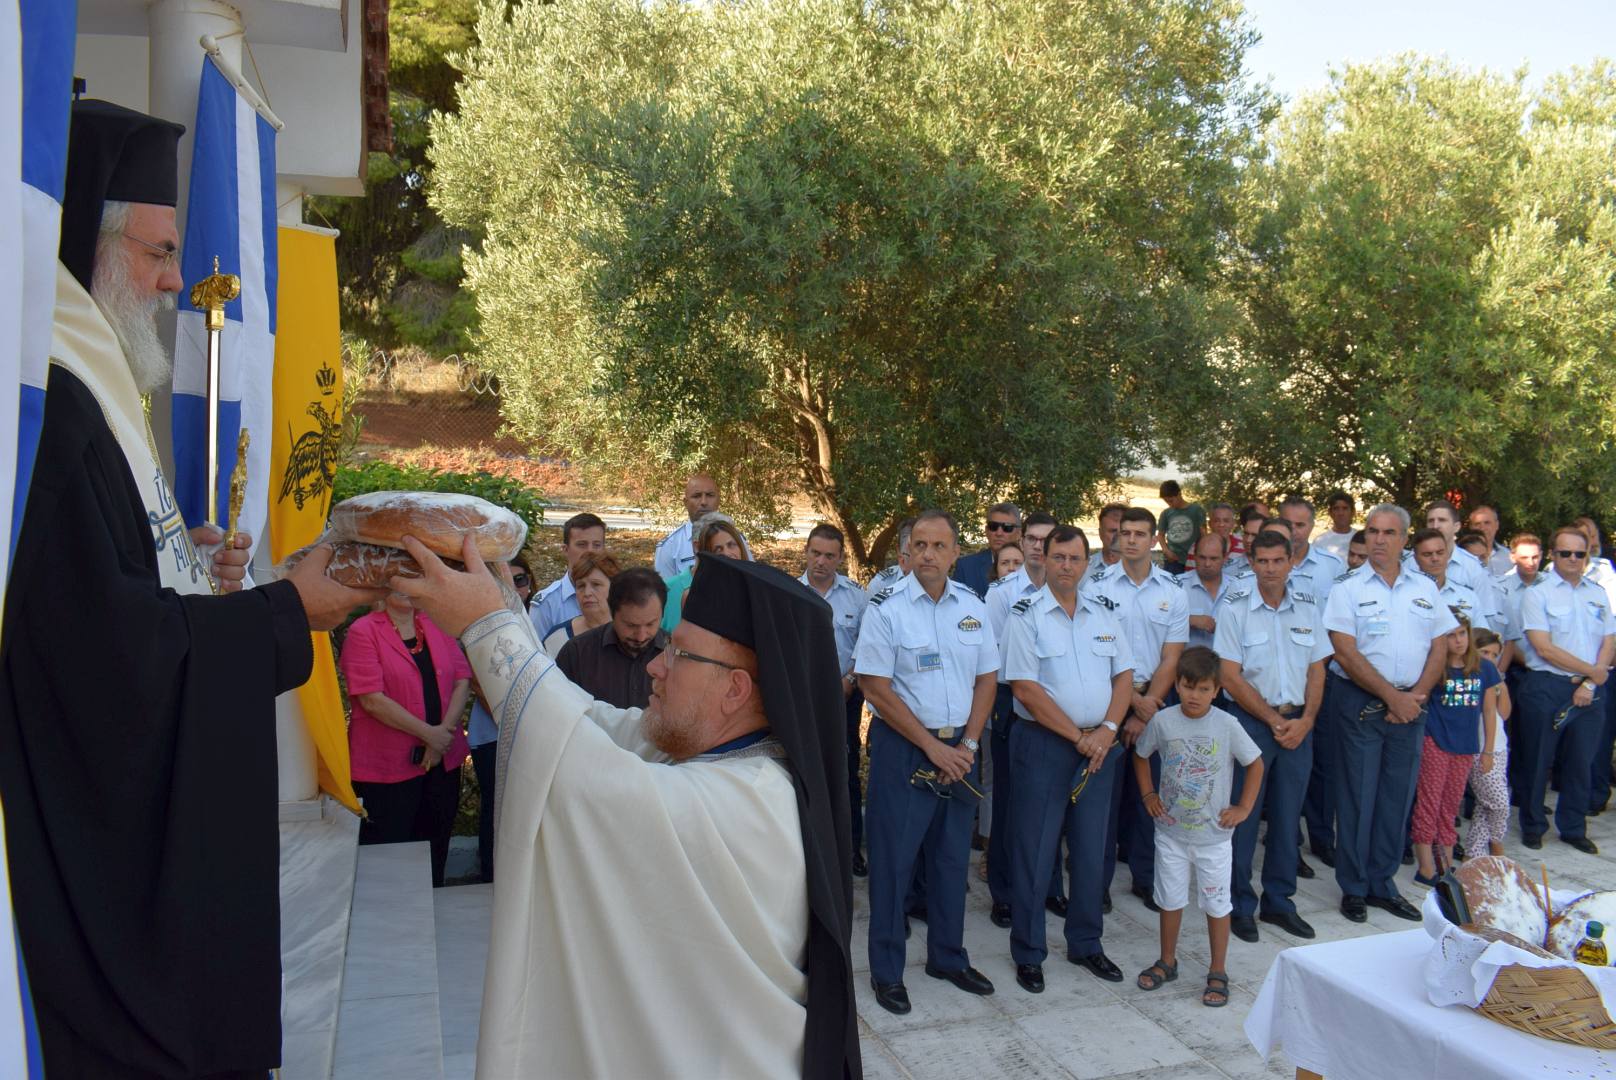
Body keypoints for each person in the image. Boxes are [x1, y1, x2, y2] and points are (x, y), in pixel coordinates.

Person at [0, 99, 385, 1076]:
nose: (178, 281)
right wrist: (285, 612)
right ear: (85, 250)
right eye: (159, 253)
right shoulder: (58, 409)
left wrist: (183, 564)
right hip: (95, 875)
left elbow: (114, 589)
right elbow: (109, 658)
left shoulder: (91, 385)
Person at [393, 539, 859, 1077]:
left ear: (734, 690)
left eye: (678, 652)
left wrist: (485, 626)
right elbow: (588, 720)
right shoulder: (720, 748)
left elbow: (583, 777)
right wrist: (503, 606)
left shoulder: (752, 800)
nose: (656, 665)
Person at [856, 509, 998, 1014]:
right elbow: (875, 686)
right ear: (907, 552)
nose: (929, 554)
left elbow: (987, 678)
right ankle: (887, 971)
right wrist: (931, 747)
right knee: (893, 863)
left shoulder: (973, 607)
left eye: (939, 546)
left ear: (956, 553)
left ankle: (947, 957)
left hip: (960, 750)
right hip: (904, 750)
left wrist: (969, 745)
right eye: (920, 545)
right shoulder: (887, 609)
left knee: (951, 861)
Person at [1002, 525, 1132, 991]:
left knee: (1092, 851)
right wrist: (1079, 737)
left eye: (1075, 558)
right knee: (1035, 854)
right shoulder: (1026, 615)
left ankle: (1086, 943)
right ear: (1045, 557)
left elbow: (1124, 676)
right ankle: (1029, 951)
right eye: (1058, 557)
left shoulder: (1104, 612)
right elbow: (1025, 689)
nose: (1066, 566)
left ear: (1086, 564)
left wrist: (1108, 730)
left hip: (1099, 748)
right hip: (1045, 746)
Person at [1322, 504, 1458, 923]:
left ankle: (1382, 884)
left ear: (1404, 539)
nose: (1379, 539)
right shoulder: (1347, 588)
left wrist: (1415, 695)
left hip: (1412, 705)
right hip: (1361, 703)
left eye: (1388, 532)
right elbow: (1344, 651)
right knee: (1358, 798)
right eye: (1372, 531)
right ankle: (1354, 887)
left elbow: (1439, 644)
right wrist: (1391, 697)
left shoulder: (1424, 588)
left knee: (1396, 799)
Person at [1215, 529, 1331, 943]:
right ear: (1251, 563)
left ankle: (1280, 902)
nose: (1269, 569)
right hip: (1251, 724)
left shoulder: (1307, 607)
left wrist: (1307, 720)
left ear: (1290, 562)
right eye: (1261, 561)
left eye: (1277, 561)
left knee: (1287, 816)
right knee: (1244, 817)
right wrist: (1271, 719)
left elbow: (1317, 669)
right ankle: (1238, 905)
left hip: (1298, 725)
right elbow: (1229, 676)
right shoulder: (1235, 609)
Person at [1132, 647, 1263, 1009]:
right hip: (1170, 833)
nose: (1195, 695)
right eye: (1188, 687)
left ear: (1217, 690)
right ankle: (1167, 960)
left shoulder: (1227, 725)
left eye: (1204, 689)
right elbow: (1141, 755)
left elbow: (1255, 763)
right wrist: (1148, 794)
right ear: (1177, 685)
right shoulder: (1163, 721)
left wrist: (1244, 807)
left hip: (1213, 838)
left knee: (1217, 903)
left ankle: (1218, 969)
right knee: (1169, 898)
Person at [1085, 507, 1189, 913]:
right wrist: (1130, 705)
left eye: (1139, 533)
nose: (1130, 540)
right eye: (1125, 533)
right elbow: (1098, 653)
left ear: (1155, 540)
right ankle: (1097, 884)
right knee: (1104, 803)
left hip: (1156, 704)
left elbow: (1172, 657)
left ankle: (1146, 878)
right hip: (1109, 702)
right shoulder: (1096, 587)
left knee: (1152, 797)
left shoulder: (1173, 591)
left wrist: (1145, 711)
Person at [342, 592, 474, 888]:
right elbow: (371, 700)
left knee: (435, 850)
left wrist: (441, 737)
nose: (405, 586)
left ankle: (433, 912)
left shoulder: (436, 623)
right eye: (398, 577)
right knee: (389, 861)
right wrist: (431, 735)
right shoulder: (363, 631)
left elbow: (462, 680)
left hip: (441, 764)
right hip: (386, 771)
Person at [1516, 525, 1616, 853]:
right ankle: (1533, 826)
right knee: (1537, 761)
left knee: (1581, 762)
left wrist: (1590, 682)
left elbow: (1609, 641)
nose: (1573, 558)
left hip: (1591, 690)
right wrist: (1593, 673)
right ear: (1552, 554)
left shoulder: (1597, 593)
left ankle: (1573, 828)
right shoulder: (1538, 593)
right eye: (1565, 553)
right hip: (1548, 686)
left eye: (1579, 553)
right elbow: (1543, 647)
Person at [983, 513, 1061, 922]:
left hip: (1059, 708)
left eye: (1045, 540)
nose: (1036, 546)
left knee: (1054, 803)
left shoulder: (1070, 588)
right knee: (1010, 802)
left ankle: (1050, 887)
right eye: (1030, 538)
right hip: (1012, 703)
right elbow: (996, 658)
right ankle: (1005, 893)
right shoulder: (1002, 594)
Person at [800, 524, 873, 876]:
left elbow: (866, 645)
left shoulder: (857, 597)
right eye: (816, 553)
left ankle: (849, 849)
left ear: (841, 558)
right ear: (806, 552)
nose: (821, 561)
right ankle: (808, 848)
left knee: (845, 771)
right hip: (803, 698)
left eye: (830, 555)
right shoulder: (790, 592)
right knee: (803, 769)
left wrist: (850, 680)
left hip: (845, 696)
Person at [1410, 615, 1500, 884]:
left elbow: (1489, 711)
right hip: (1435, 741)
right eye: (1451, 635)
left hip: (1466, 745)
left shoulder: (1484, 668)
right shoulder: (1434, 667)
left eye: (1462, 633)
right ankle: (1426, 868)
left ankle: (1446, 866)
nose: (1458, 640)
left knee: (1450, 806)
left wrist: (1488, 750)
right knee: (1429, 803)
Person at [468, 555, 534, 883]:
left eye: (520, 580)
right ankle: (491, 876)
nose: (514, 586)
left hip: (529, 733)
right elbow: (478, 681)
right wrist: (513, 720)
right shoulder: (477, 623)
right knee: (495, 806)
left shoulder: (534, 620)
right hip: (493, 733)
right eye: (507, 580)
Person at [555, 568, 669, 710]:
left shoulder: (676, 655)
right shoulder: (576, 654)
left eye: (650, 624)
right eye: (631, 625)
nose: (641, 636)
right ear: (612, 612)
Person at [1467, 629, 1513, 858]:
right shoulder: (1467, 678)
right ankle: (1496, 842)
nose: (1490, 659)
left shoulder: (1494, 680)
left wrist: (1500, 685)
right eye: (1484, 652)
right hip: (1478, 748)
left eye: (1495, 655)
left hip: (1498, 747)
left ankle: (1473, 852)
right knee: (1499, 802)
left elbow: (1503, 713)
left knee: (1485, 805)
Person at [663, 512, 751, 630]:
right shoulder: (665, 591)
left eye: (731, 544)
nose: (727, 554)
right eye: (717, 548)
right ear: (697, 547)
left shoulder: (751, 589)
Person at [530, 511, 606, 640]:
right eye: (582, 544)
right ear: (565, 550)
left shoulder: (617, 595)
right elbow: (536, 649)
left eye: (597, 545)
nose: (590, 551)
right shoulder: (547, 604)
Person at [1410, 528, 1495, 631]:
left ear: (1447, 555)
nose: (1435, 558)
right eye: (1427, 554)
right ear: (1415, 558)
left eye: (1440, 553)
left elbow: (1482, 635)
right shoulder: (1405, 594)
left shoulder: (1468, 596)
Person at [541, 552, 620, 657]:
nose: (587, 593)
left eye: (596, 584)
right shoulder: (557, 639)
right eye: (581, 586)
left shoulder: (633, 634)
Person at [652, 472, 721, 578]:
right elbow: (666, 587)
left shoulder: (735, 540)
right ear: (686, 502)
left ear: (718, 500)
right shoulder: (669, 547)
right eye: (697, 496)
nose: (704, 502)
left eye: (710, 495)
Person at [1421, 501, 1494, 597]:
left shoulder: (1473, 568)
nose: (1435, 526)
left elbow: (1485, 606)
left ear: (1456, 527)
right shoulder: (1411, 564)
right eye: (1431, 521)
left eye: (1442, 520)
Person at [953, 502, 1022, 599]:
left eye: (1007, 527)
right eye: (993, 526)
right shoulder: (966, 567)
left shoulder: (1031, 568)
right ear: (986, 531)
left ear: (1019, 533)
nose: (999, 533)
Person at [1178, 532, 1231, 649]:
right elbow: (1157, 622)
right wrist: (1188, 620)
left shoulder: (1237, 588)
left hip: (1228, 660)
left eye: (1213, 558)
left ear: (1225, 558)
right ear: (1194, 556)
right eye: (1202, 557)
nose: (1207, 564)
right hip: (1188, 660)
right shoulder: (1177, 586)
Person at [1156, 480, 1205, 575]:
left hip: (1193, 558)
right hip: (1173, 559)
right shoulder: (1166, 513)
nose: (1169, 504)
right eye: (1166, 501)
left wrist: (1203, 553)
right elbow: (1160, 535)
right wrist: (1166, 551)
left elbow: (1203, 533)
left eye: (1171, 501)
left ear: (1179, 494)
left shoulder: (1196, 510)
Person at [1467, 504, 1514, 577]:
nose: (1482, 528)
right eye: (1477, 524)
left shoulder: (1509, 557)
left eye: (1487, 523)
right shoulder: (1462, 557)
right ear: (1471, 527)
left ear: (1497, 525)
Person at [1314, 491, 1357, 564]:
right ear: (1330, 512)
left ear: (1352, 512)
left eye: (1345, 508)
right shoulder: (1319, 542)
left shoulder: (1361, 538)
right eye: (1336, 508)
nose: (1341, 513)